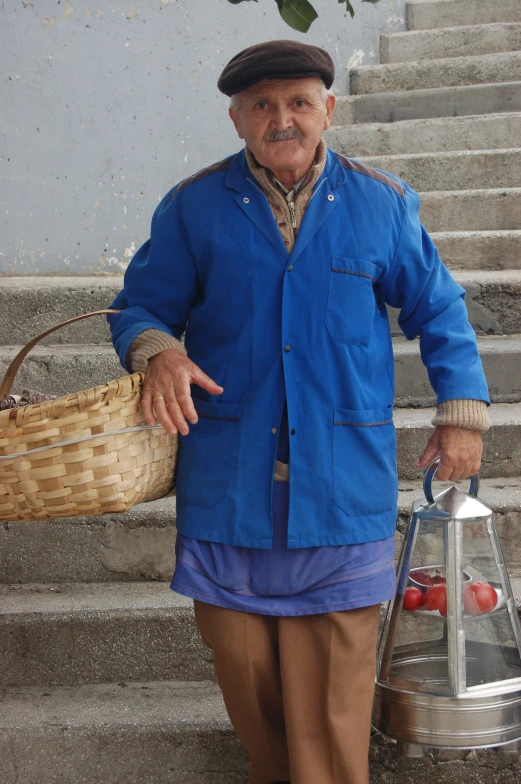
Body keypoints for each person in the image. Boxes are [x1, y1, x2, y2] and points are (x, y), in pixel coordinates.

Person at [108, 40, 490, 784]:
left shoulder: (381, 201)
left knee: (335, 698)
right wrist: (157, 350)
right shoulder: (193, 206)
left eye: (297, 103)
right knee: (245, 670)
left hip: (340, 484)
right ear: (236, 118)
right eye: (261, 106)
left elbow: (438, 308)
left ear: (328, 110)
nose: (280, 119)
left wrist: (461, 413)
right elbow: (142, 304)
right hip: (231, 481)